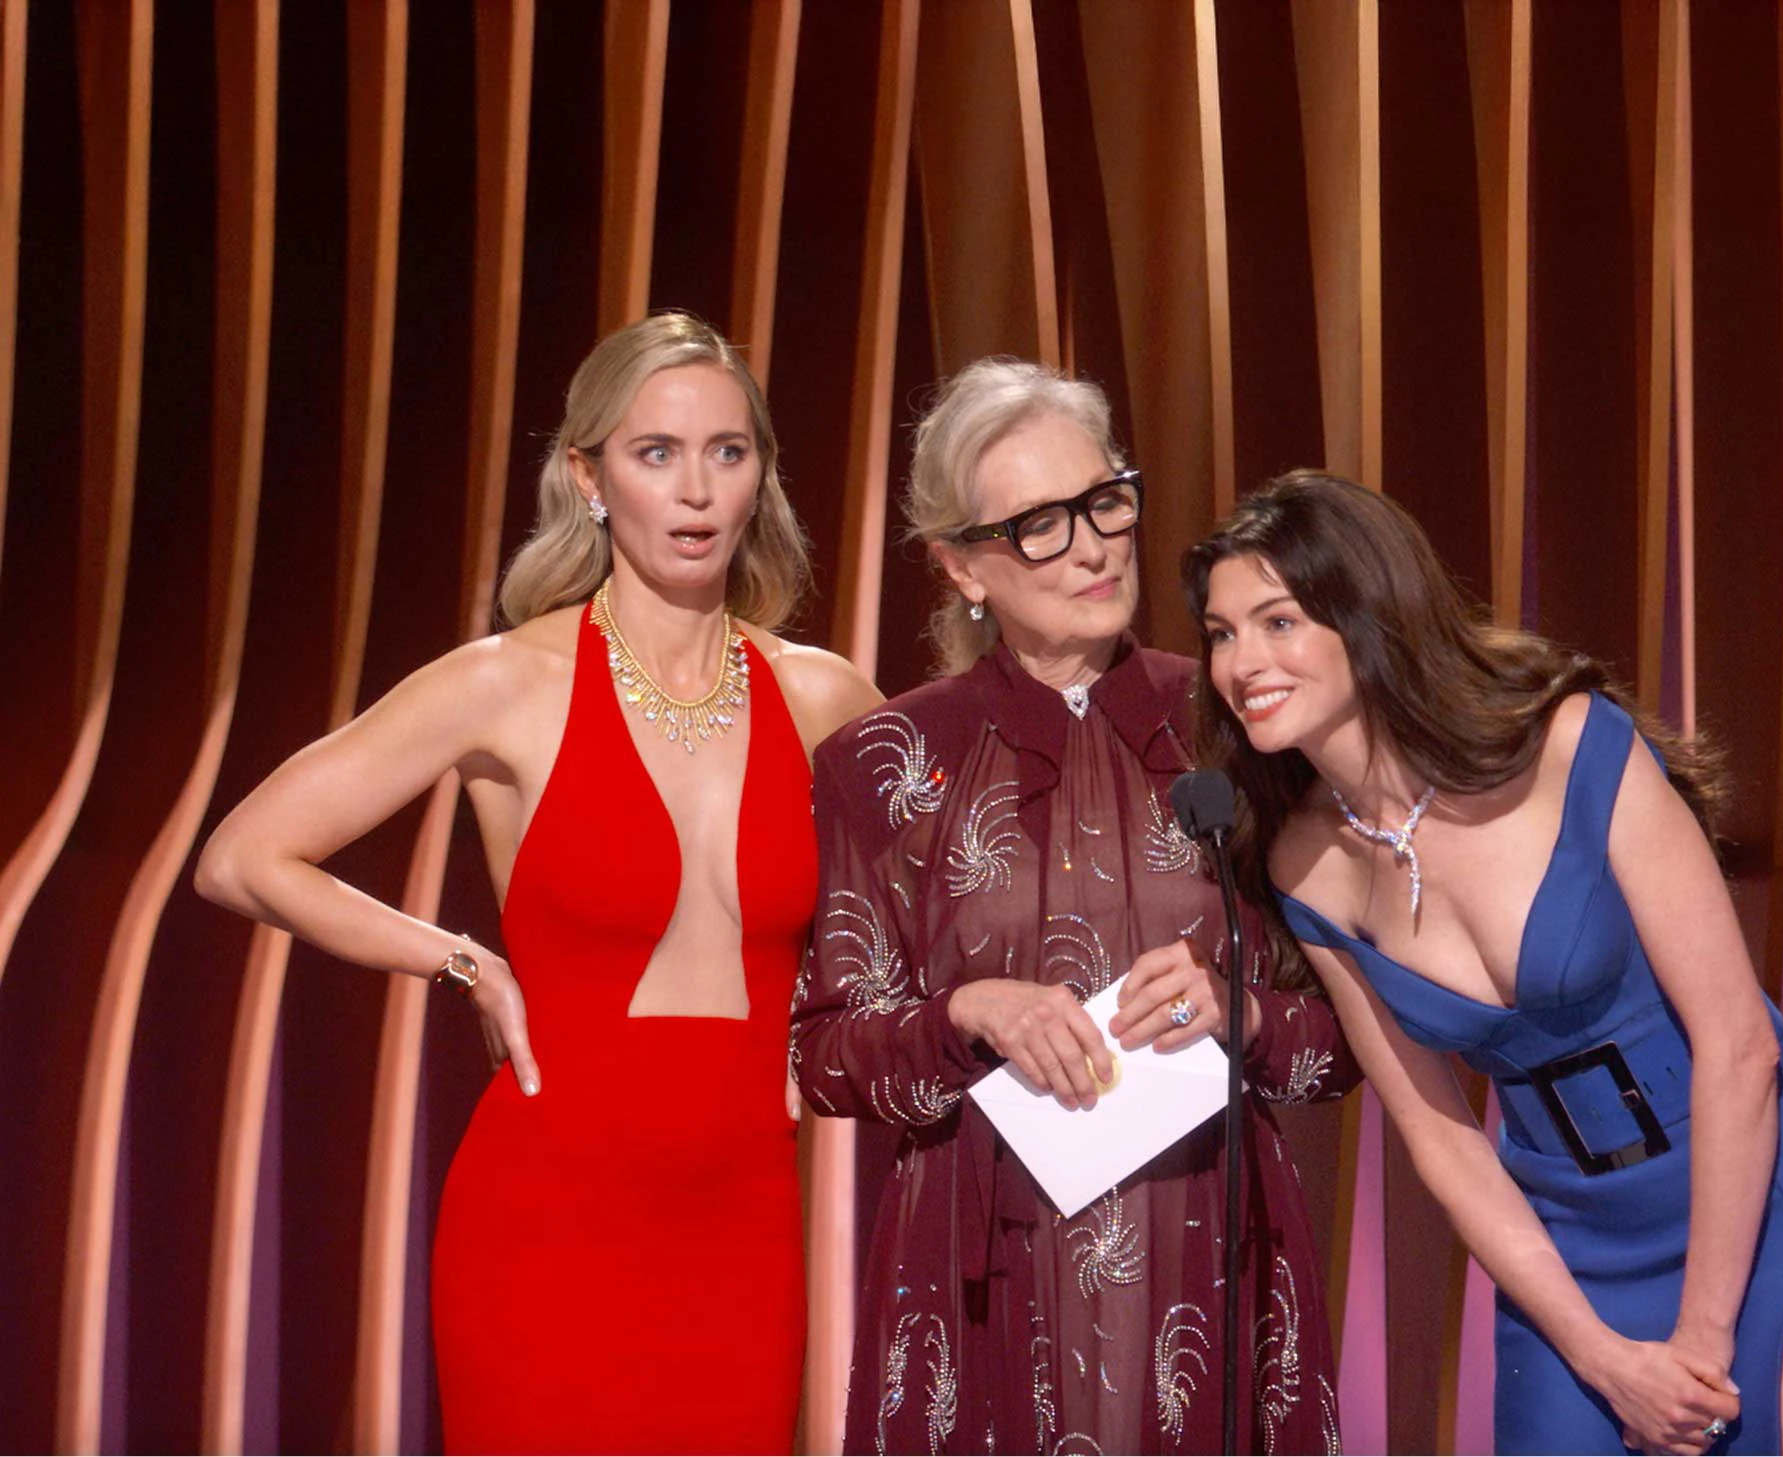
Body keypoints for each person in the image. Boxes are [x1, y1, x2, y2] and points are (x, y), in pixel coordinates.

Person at [195, 311, 879, 1453]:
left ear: (761, 473)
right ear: (589, 476)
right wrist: (461, 959)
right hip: (546, 1219)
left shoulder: (826, 697)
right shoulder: (507, 681)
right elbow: (241, 855)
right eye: (656, 452)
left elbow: (935, 910)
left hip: (744, 1224)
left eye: (728, 450)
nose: (697, 488)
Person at [1183, 473, 1783, 1456]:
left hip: (1758, 1178)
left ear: (1367, 616)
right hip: (1568, 1236)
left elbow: (1740, 1045)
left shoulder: (1571, 746)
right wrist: (1602, 1355)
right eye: (1221, 633)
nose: (1242, 663)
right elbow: (1440, 1135)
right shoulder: (1302, 862)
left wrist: (1700, 1343)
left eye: (1277, 621)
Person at [790, 360, 1358, 1455]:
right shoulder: (885, 761)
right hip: (980, 1275)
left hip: (1214, 1248)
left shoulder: (1242, 722)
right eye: (1041, 524)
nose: (1095, 546)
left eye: (1105, 501)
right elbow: (824, 1056)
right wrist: (966, 1012)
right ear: (962, 563)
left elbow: (1350, 1034)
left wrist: (1240, 1012)